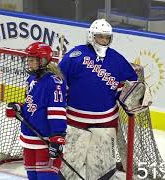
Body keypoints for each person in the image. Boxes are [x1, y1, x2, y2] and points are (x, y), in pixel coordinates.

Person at [58, 19, 139, 180]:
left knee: (102, 170)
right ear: (91, 36)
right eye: (100, 37)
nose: (103, 40)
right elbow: (58, 83)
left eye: (106, 37)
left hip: (105, 123)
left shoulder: (117, 60)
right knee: (68, 168)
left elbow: (130, 87)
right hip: (74, 122)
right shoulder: (76, 55)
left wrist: (135, 96)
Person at [6, 42, 67, 180]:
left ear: (43, 60)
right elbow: (31, 105)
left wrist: (57, 137)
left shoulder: (54, 82)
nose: (29, 63)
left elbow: (57, 112)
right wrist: (18, 108)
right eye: (28, 59)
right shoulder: (32, 78)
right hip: (28, 140)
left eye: (32, 60)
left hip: (45, 141)